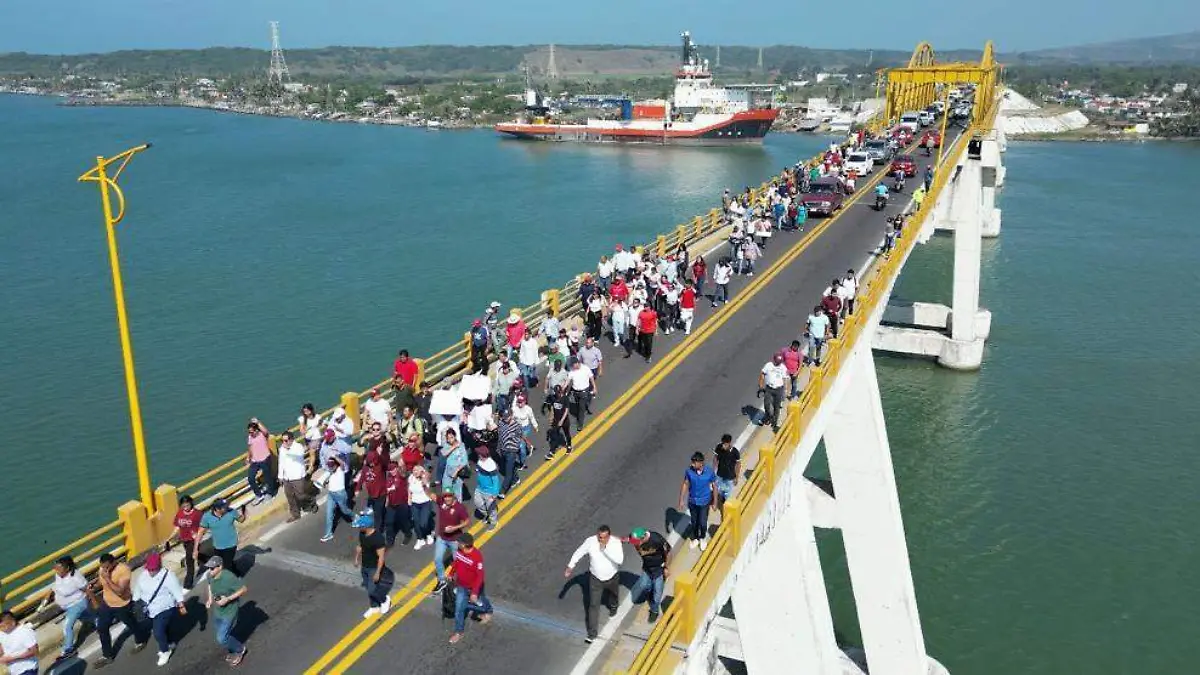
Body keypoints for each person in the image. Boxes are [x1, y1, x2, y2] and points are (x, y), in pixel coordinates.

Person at [564, 525, 625, 643]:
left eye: (602, 538)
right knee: (593, 605)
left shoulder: (616, 543)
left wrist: (605, 549)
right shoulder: (591, 541)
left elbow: (620, 560)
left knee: (613, 596)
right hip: (595, 579)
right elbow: (579, 552)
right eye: (599, 536)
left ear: (608, 537)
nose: (600, 540)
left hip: (612, 577)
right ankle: (592, 634)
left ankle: (613, 607)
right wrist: (570, 566)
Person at [132, 552, 187, 666]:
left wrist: (181, 605)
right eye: (150, 569)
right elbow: (138, 588)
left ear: (159, 566)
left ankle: (165, 651)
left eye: (153, 569)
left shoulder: (168, 576)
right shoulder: (143, 574)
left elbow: (176, 591)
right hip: (149, 608)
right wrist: (136, 601)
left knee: (157, 632)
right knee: (162, 628)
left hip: (164, 608)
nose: (151, 571)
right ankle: (170, 642)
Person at [93, 553, 147, 667]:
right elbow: (101, 581)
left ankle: (141, 640)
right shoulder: (102, 569)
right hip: (107, 603)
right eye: (103, 567)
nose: (105, 569)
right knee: (102, 628)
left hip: (122, 604)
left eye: (107, 567)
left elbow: (120, 591)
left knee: (131, 624)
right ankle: (107, 655)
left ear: (113, 563)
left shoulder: (124, 570)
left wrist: (107, 578)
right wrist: (95, 584)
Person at [448, 533, 494, 644]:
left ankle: (488, 611)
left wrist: (474, 592)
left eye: (459, 542)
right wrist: (451, 573)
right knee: (459, 609)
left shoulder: (476, 556)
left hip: (474, 587)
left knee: (481, 601)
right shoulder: (460, 552)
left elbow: (480, 576)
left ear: (464, 545)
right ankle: (459, 632)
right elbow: (456, 563)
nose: (457, 543)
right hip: (461, 586)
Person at [203, 557, 248, 665]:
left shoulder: (228, 577)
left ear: (220, 567)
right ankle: (232, 646)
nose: (210, 570)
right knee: (222, 633)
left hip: (229, 612)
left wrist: (227, 599)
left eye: (213, 568)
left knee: (221, 638)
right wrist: (209, 599)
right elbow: (209, 585)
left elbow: (244, 589)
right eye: (209, 568)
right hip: (218, 611)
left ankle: (240, 649)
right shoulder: (210, 575)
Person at [51, 555, 94, 659]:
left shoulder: (76, 578)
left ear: (67, 568)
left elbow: (86, 589)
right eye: (55, 568)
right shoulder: (58, 575)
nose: (56, 570)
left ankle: (68, 649)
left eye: (59, 568)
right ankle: (102, 620)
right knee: (87, 618)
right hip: (67, 606)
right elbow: (56, 586)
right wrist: (48, 595)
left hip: (77, 604)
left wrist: (94, 601)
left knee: (67, 626)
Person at [354, 510, 394, 618]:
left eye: (360, 526)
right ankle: (374, 606)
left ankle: (385, 600)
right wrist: (356, 559)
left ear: (366, 526)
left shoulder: (377, 538)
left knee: (373, 589)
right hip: (365, 566)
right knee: (368, 587)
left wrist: (377, 572)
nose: (358, 528)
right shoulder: (362, 534)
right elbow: (360, 546)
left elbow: (381, 557)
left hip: (374, 567)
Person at [626, 528, 670, 623]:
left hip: (659, 569)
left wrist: (666, 567)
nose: (635, 545)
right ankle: (650, 592)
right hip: (647, 568)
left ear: (643, 538)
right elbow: (625, 539)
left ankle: (654, 611)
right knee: (643, 585)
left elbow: (668, 552)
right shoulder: (636, 542)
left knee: (657, 594)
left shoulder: (657, 539)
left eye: (636, 543)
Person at [433, 490, 470, 594]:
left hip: (454, 540)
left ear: (453, 496)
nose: (447, 498)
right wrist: (423, 484)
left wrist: (455, 528)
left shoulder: (460, 508)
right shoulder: (442, 502)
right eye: (445, 496)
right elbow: (431, 495)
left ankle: (459, 583)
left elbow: (467, 521)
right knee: (437, 559)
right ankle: (442, 580)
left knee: (458, 563)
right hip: (442, 538)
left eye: (449, 496)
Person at [678, 452, 717, 551]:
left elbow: (714, 486)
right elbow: (686, 484)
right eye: (692, 462)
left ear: (701, 463)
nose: (692, 464)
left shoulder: (709, 472)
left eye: (694, 463)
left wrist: (715, 502)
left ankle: (702, 538)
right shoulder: (689, 471)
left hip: (704, 502)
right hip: (692, 502)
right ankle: (695, 538)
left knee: (703, 523)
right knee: (694, 522)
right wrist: (681, 500)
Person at [197, 498, 245, 575]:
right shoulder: (207, 517)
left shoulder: (232, 512)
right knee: (224, 563)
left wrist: (244, 513)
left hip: (231, 544)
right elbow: (200, 532)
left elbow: (241, 520)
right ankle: (236, 572)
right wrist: (195, 549)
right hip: (217, 546)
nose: (227, 507)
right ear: (217, 509)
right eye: (224, 507)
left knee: (226, 567)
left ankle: (231, 582)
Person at [277, 430, 314, 523]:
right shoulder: (282, 449)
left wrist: (289, 450)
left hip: (297, 476)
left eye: (286, 440)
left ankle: (311, 502)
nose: (284, 442)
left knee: (300, 496)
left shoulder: (298, 447)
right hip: (287, 478)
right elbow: (281, 463)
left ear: (292, 439)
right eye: (282, 440)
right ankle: (295, 514)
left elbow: (301, 453)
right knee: (290, 497)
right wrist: (280, 476)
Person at [170, 494, 203, 590]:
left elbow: (203, 526)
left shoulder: (197, 514)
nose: (186, 508)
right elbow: (177, 526)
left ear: (191, 503)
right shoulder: (180, 513)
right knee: (195, 555)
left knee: (189, 560)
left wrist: (198, 535)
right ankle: (204, 564)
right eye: (183, 506)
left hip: (193, 540)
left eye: (187, 505)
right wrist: (170, 538)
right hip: (184, 540)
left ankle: (188, 584)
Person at [319, 455, 353, 543]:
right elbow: (327, 482)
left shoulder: (340, 469)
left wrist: (334, 456)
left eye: (331, 465)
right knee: (329, 514)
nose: (330, 467)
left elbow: (342, 463)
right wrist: (324, 483)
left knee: (345, 511)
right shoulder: (329, 472)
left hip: (340, 494)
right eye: (328, 465)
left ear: (335, 464)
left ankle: (355, 516)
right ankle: (328, 533)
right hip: (331, 494)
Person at [245, 418, 275, 505]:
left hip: (265, 459)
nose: (250, 434)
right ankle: (258, 495)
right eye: (249, 432)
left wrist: (257, 422)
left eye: (251, 432)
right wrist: (248, 458)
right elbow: (250, 448)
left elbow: (266, 431)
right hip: (255, 461)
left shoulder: (262, 434)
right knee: (250, 478)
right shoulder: (250, 437)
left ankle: (270, 493)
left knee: (268, 477)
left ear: (257, 430)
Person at [384, 460, 413, 547]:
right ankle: (389, 540)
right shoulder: (388, 477)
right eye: (390, 469)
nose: (392, 471)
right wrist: (387, 501)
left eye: (394, 469)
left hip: (402, 503)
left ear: (397, 468)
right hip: (391, 504)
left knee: (403, 522)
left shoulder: (401, 475)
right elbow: (387, 491)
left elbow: (403, 472)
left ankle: (408, 534)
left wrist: (401, 465)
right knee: (389, 522)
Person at [758, 353, 790, 432]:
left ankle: (774, 423)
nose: (778, 363)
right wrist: (761, 385)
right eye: (777, 361)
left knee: (776, 407)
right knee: (767, 405)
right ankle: (768, 417)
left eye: (780, 361)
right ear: (774, 359)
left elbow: (786, 379)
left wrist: (786, 390)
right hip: (769, 389)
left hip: (779, 390)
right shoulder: (768, 365)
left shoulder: (783, 368)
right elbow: (762, 374)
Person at [0, 611, 38, 675]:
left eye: (3, 626)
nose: (2, 629)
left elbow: (34, 651)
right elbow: (2, 648)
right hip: (14, 671)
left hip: (28, 669)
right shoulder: (3, 632)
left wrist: (11, 659)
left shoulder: (25, 631)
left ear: (12, 622)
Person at [473, 447, 502, 528]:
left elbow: (495, 480)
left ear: (482, 455)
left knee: (491, 508)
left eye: (479, 454)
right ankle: (488, 515)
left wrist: (495, 493)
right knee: (478, 504)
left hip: (489, 491)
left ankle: (493, 522)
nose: (478, 455)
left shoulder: (491, 465)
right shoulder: (480, 461)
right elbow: (478, 469)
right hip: (479, 488)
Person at [712, 435, 742, 512]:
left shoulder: (735, 452)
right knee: (720, 491)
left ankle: (726, 511)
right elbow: (715, 458)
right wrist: (714, 470)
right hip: (719, 475)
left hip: (730, 477)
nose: (723, 446)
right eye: (723, 443)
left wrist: (736, 477)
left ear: (729, 443)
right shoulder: (719, 447)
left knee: (728, 496)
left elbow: (738, 464)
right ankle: (723, 498)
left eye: (725, 444)